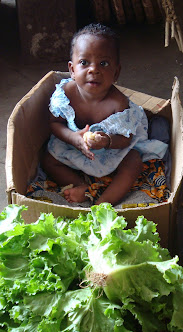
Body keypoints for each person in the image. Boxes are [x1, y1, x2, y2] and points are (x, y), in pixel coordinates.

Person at [41, 23, 168, 205]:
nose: (94, 70)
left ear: (116, 72)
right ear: (72, 70)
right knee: (48, 160)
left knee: (134, 162)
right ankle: (81, 185)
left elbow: (125, 139)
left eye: (104, 63)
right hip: (74, 145)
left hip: (112, 150)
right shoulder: (64, 95)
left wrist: (106, 141)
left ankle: (104, 202)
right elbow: (54, 123)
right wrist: (73, 138)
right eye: (84, 63)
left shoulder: (118, 103)